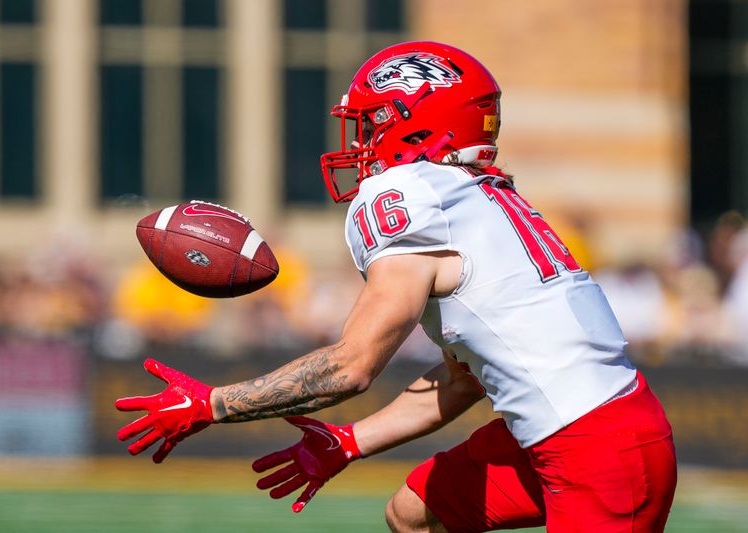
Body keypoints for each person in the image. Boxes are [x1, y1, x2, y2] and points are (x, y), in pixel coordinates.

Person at [116, 41, 677, 532]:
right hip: (586, 432)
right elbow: (463, 382)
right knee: (415, 513)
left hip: (598, 452)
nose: (363, 142)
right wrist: (349, 442)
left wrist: (213, 405)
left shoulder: (414, 195)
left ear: (419, 122)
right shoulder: (468, 199)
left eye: (373, 122)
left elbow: (350, 366)